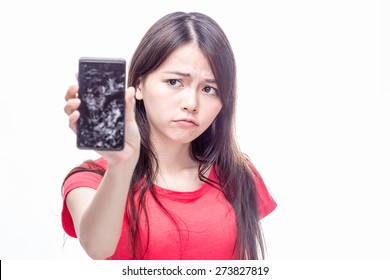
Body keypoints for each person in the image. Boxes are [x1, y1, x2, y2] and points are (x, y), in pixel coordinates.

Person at [62, 11, 277, 260]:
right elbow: (98, 248)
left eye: (209, 89)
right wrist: (121, 163)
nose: (191, 103)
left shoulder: (238, 174)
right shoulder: (91, 179)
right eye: (175, 82)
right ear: (139, 85)